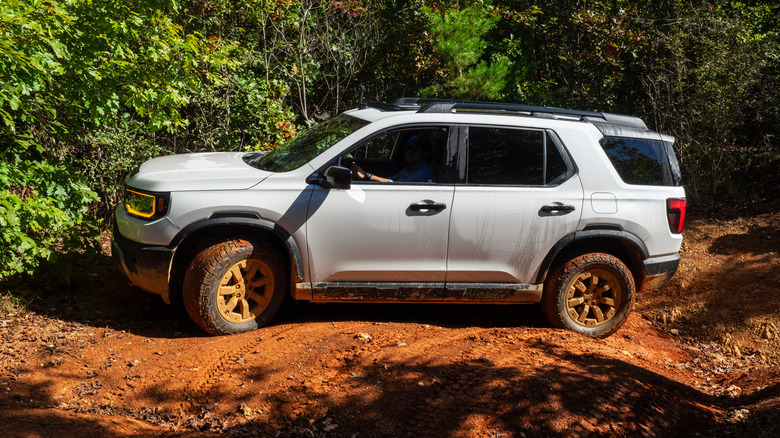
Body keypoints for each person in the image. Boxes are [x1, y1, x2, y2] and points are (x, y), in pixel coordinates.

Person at [350, 135, 436, 183]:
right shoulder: (410, 168)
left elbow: (397, 185)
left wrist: (367, 175)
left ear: (425, 154)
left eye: (414, 149)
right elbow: (392, 179)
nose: (409, 152)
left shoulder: (424, 172)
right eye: (407, 148)